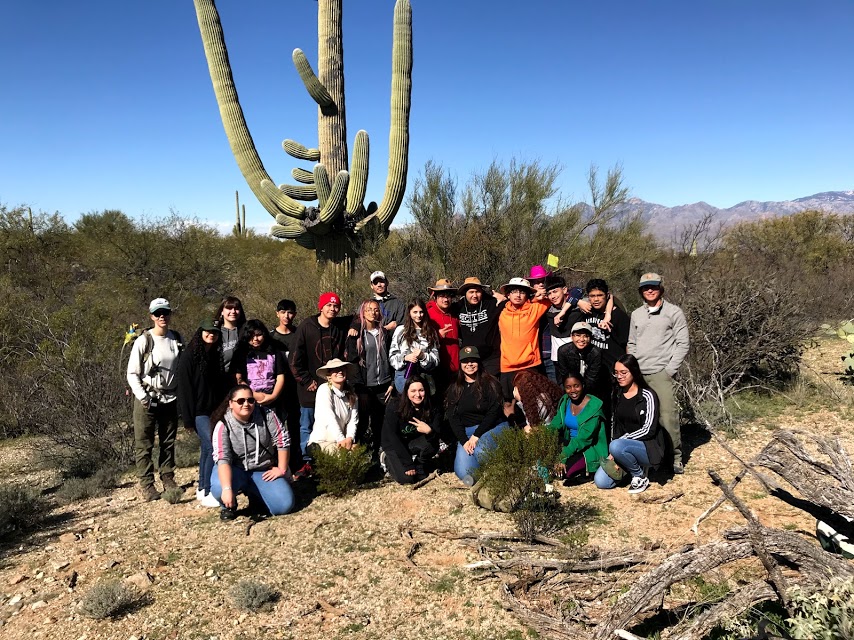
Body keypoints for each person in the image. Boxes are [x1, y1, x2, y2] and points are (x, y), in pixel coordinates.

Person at [627, 272, 690, 474]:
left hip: (661, 373)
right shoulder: (636, 314)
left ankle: (675, 458)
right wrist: (633, 368)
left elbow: (683, 343)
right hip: (639, 374)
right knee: (642, 418)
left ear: (661, 288)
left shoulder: (674, 312)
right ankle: (649, 458)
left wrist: (670, 370)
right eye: (646, 288)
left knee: (667, 416)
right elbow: (632, 342)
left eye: (653, 286)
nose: (650, 290)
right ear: (641, 291)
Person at [126, 297, 182, 501]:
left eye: (165, 312)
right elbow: (132, 373)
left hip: (170, 397)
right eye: (158, 313)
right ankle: (147, 483)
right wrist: (143, 397)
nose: (162, 316)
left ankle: (167, 476)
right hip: (147, 398)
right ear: (151, 316)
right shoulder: (144, 340)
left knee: (168, 441)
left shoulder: (176, 338)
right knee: (144, 442)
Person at [210, 384, 294, 519]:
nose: (246, 404)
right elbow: (222, 458)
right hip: (236, 470)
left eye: (250, 400)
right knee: (219, 487)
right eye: (240, 401)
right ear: (231, 404)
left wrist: (282, 469)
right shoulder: (223, 424)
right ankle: (228, 506)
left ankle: (257, 497)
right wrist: (227, 489)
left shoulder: (266, 414)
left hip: (262, 470)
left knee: (284, 505)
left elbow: (282, 439)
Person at [290, 292, 348, 473]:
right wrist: (306, 381)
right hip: (310, 389)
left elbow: (360, 317)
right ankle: (307, 462)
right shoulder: (306, 327)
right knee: (307, 425)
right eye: (329, 305)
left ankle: (329, 461)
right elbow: (294, 359)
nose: (332, 309)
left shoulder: (338, 327)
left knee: (331, 422)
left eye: (336, 306)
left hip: (332, 388)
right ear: (320, 307)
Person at [594, 355, 666, 494]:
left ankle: (639, 476)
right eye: (616, 372)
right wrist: (613, 451)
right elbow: (614, 424)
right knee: (601, 482)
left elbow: (649, 430)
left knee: (616, 445)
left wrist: (620, 442)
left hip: (648, 447)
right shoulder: (617, 394)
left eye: (623, 372)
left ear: (634, 371)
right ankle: (629, 466)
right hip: (622, 447)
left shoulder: (647, 395)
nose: (619, 376)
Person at [176, 317, 228, 508]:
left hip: (214, 410)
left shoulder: (215, 355)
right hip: (198, 413)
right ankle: (207, 490)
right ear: (200, 332)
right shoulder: (189, 356)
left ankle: (202, 487)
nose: (211, 335)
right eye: (207, 332)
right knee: (212, 446)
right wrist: (188, 419)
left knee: (208, 448)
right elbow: (184, 390)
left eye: (214, 333)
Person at [446, 346, 507, 486]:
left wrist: (476, 436)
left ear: (479, 363)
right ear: (460, 364)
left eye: (473, 361)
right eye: (465, 361)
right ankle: (480, 476)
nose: (469, 364)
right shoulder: (455, 387)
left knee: (481, 452)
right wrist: (464, 441)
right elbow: (453, 417)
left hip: (491, 427)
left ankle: (496, 474)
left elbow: (494, 412)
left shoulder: (490, 383)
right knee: (465, 475)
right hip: (467, 432)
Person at [496, 277, 553, 417]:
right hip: (508, 366)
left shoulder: (536, 308)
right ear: (508, 294)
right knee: (509, 403)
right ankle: (514, 434)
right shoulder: (501, 312)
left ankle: (534, 433)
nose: (518, 295)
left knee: (533, 402)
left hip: (530, 364)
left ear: (527, 294)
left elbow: (557, 294)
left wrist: (536, 296)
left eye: (522, 292)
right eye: (514, 291)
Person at [346, 299, 394, 456]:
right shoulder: (356, 335)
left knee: (380, 421)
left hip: (384, 384)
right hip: (365, 385)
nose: (373, 313)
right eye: (368, 310)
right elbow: (352, 361)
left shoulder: (385, 333)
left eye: (375, 310)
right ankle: (359, 454)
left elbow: (391, 357)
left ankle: (378, 454)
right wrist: (358, 386)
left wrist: (392, 382)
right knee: (362, 421)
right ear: (362, 313)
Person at [547, 373, 608, 482]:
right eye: (568, 387)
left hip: (588, 448)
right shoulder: (565, 401)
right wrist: (542, 436)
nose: (572, 390)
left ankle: (588, 469)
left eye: (576, 386)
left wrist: (562, 456)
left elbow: (583, 439)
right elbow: (555, 424)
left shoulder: (594, 407)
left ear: (583, 385)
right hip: (570, 443)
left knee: (566, 473)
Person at [380, 376, 441, 484]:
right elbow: (393, 437)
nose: (417, 395)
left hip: (413, 442)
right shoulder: (395, 406)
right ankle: (386, 459)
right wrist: (407, 464)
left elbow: (437, 435)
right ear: (406, 392)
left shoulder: (432, 407)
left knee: (432, 443)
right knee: (407, 479)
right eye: (413, 391)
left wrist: (429, 431)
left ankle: (419, 464)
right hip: (393, 444)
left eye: (421, 390)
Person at [268, 299, 302, 473]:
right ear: (277, 314)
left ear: (294, 314)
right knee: (278, 426)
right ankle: (277, 462)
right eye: (283, 312)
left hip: (297, 388)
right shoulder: (271, 337)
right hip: (277, 389)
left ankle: (297, 463)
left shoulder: (299, 334)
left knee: (296, 426)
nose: (286, 316)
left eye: (290, 312)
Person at [232, 319, 287, 414]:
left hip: (274, 401)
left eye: (258, 335)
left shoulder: (274, 351)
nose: (255, 339)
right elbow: (238, 378)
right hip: (249, 401)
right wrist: (254, 395)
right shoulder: (241, 353)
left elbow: (280, 376)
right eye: (251, 336)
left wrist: (273, 396)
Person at [307, 358, 360, 454]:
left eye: (342, 369)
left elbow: (353, 421)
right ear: (329, 376)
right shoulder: (324, 390)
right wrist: (341, 439)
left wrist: (349, 438)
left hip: (342, 443)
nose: (340, 371)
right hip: (322, 442)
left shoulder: (352, 395)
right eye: (335, 369)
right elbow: (329, 417)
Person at [389, 300, 440, 394]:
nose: (418, 315)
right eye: (415, 312)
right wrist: (405, 358)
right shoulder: (401, 330)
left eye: (421, 312)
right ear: (409, 313)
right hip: (404, 375)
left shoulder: (431, 331)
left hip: (424, 377)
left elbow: (436, 360)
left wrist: (423, 357)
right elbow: (392, 357)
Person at [455, 277, 503, 376]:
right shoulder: (458, 307)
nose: (475, 295)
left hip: (491, 358)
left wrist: (504, 298)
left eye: (478, 292)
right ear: (465, 293)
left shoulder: (492, 303)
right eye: (471, 292)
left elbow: (509, 302)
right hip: (469, 359)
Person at [580, 279, 630, 372]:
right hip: (593, 369)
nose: (596, 299)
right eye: (592, 296)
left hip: (614, 369)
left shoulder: (619, 316)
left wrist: (628, 367)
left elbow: (628, 344)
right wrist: (578, 302)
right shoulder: (586, 312)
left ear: (606, 296)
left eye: (600, 295)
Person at [556, 322, 609, 403]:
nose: (582, 339)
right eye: (578, 335)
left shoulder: (596, 353)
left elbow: (592, 378)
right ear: (572, 336)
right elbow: (564, 374)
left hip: (591, 390)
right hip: (570, 388)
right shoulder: (563, 351)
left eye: (586, 336)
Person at [426, 279, 460, 393]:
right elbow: (420, 340)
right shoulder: (427, 314)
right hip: (437, 369)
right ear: (434, 296)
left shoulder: (455, 313)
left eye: (448, 296)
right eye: (442, 296)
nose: (445, 299)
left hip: (456, 368)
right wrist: (438, 335)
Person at [214, 296, 246, 378]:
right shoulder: (214, 332)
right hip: (218, 379)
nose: (233, 311)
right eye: (229, 308)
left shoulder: (246, 331)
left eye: (236, 308)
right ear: (221, 311)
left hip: (242, 379)